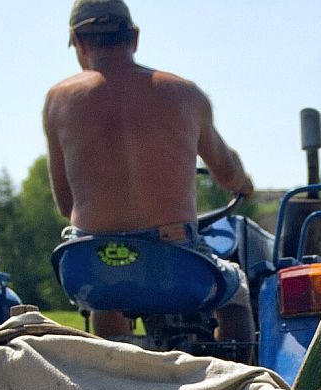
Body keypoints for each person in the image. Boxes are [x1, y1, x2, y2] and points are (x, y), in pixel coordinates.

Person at [43, 0, 255, 343]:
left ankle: (117, 369)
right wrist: (243, 182)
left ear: (80, 43)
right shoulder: (184, 94)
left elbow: (66, 205)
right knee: (238, 292)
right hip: (176, 261)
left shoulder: (58, 100)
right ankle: (238, 386)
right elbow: (228, 173)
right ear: (134, 37)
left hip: (92, 268)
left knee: (104, 296)